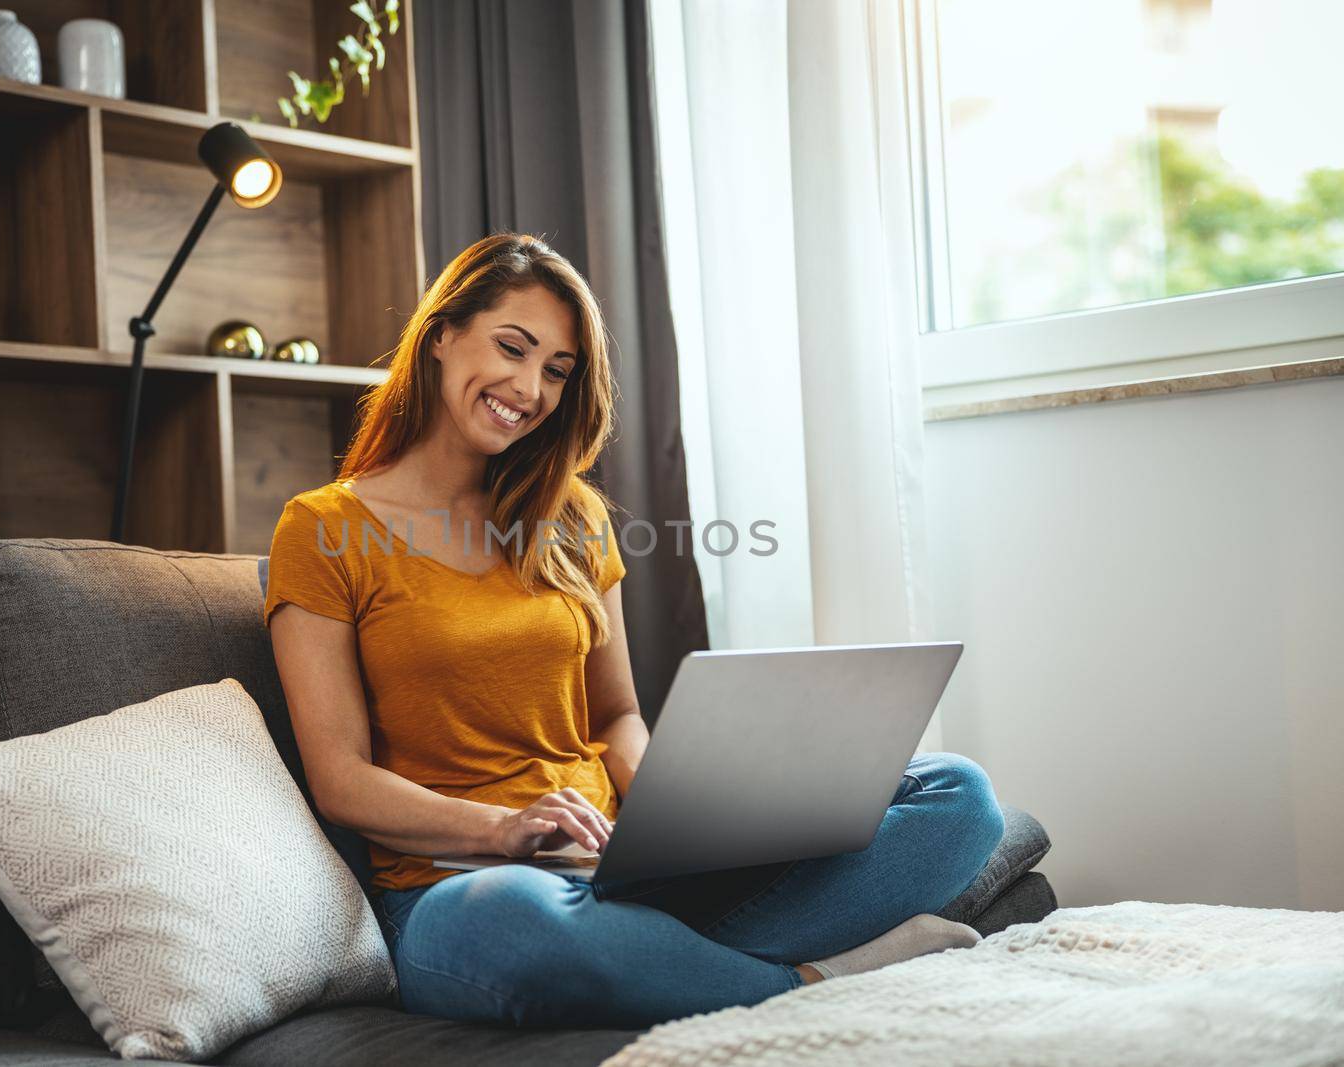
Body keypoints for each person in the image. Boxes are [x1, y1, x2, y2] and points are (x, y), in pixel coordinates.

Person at [263, 231, 1005, 1030]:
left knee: (958, 795)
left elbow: (614, 713)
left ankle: (674, 961)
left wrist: (674, 815)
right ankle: (812, 981)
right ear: (441, 334)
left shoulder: (570, 515)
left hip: (621, 866)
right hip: (462, 885)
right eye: (512, 347)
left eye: (557, 369)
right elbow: (340, 777)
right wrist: (506, 828)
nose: (529, 386)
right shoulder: (323, 528)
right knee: (509, 919)